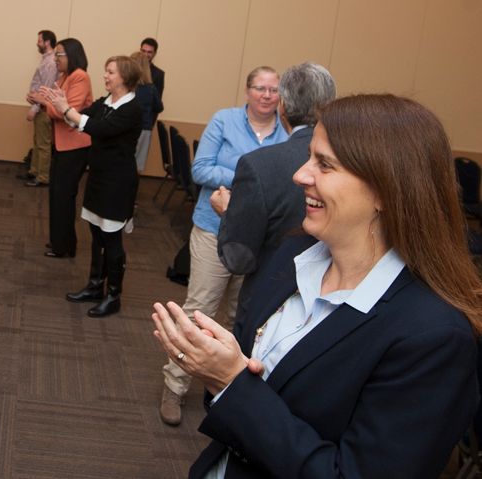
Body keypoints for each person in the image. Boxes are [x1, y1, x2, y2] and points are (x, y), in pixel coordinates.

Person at [152, 94, 482, 479]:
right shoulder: (296, 252)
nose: (300, 174)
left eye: (324, 164)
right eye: (310, 156)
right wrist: (216, 370)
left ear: (384, 191)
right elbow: (244, 375)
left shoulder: (433, 337)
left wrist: (230, 383)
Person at [159, 66, 288, 426]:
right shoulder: (225, 121)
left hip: (259, 241)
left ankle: (225, 388)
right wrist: (256, 180)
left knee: (240, 319)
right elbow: (201, 170)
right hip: (214, 231)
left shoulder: (287, 132)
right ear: (247, 91)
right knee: (198, 311)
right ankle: (174, 385)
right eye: (260, 88)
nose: (266, 95)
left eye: (273, 90)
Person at [211, 62, 336, 329]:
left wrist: (228, 213)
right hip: (334, 309)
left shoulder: (260, 165)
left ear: (283, 109)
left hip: (268, 307)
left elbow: (238, 259)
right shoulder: (357, 163)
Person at [42, 56, 144, 317]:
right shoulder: (106, 102)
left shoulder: (132, 108)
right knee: (97, 234)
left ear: (125, 77)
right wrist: (63, 107)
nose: (105, 76)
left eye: (110, 72)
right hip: (99, 178)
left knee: (112, 239)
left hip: (117, 183)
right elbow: (82, 118)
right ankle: (95, 287)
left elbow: (99, 128)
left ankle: (114, 296)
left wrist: (67, 110)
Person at [28, 38, 93, 258]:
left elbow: (68, 113)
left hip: (75, 146)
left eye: (59, 55)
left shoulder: (80, 77)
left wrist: (45, 103)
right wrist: (45, 100)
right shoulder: (66, 76)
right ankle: (59, 241)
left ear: (72, 56)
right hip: (64, 145)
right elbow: (59, 106)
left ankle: (64, 247)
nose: (55, 59)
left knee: (64, 195)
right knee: (57, 194)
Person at [18, 30, 59, 187]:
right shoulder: (46, 60)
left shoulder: (50, 63)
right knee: (38, 141)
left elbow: (46, 90)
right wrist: (32, 97)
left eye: (39, 41)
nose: (37, 43)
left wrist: (34, 109)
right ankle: (34, 172)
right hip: (40, 106)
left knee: (43, 144)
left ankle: (43, 177)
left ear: (47, 42)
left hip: (44, 109)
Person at [130, 51, 163, 172]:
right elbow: (159, 108)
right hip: (144, 129)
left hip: (125, 128)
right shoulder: (151, 88)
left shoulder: (125, 86)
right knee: (136, 165)